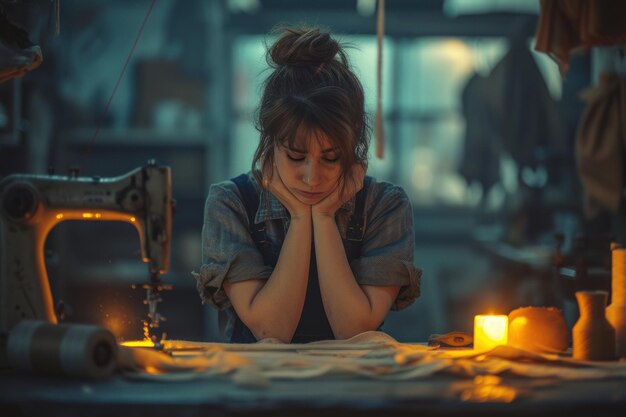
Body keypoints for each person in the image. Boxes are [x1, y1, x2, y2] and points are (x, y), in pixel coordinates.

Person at [194, 26, 421, 343]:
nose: (312, 177)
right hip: (256, 386)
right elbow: (270, 331)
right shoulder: (231, 203)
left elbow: (353, 331)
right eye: (296, 157)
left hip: (353, 383)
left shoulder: (384, 206)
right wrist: (301, 217)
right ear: (270, 145)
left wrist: (325, 217)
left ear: (353, 150)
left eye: (331, 158)